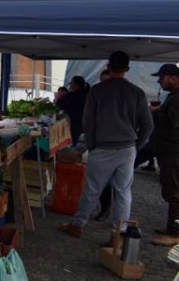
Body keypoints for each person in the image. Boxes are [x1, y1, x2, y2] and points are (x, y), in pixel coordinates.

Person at [61, 51, 153, 243]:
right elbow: (148, 125)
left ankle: (77, 225)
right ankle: (117, 234)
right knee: (123, 193)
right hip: (127, 148)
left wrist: (92, 145)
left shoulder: (97, 90)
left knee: (92, 189)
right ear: (127, 69)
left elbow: (88, 122)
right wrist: (136, 146)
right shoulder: (137, 92)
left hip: (102, 147)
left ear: (108, 67)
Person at [148, 64, 179, 246]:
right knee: (171, 190)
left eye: (161, 78)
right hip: (169, 150)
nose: (159, 81)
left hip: (173, 151)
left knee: (174, 192)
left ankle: (175, 233)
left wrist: (156, 112)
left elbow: (171, 122)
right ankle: (171, 227)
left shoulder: (177, 98)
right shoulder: (173, 96)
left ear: (173, 78)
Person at [94, 69, 113, 222]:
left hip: (120, 147)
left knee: (119, 186)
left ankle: (119, 223)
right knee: (102, 181)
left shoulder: (126, 97)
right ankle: (105, 209)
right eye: (102, 82)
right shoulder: (96, 96)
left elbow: (145, 124)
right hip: (100, 145)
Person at [57, 75, 89, 142]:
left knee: (72, 142)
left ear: (76, 85)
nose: (70, 83)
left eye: (72, 82)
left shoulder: (74, 96)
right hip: (82, 124)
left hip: (73, 124)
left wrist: (60, 97)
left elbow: (60, 105)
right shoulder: (86, 94)